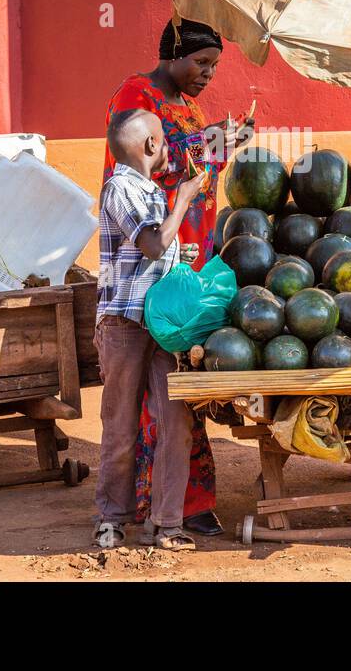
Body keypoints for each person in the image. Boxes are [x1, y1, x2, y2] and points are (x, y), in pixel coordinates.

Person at [102, 18, 247, 538]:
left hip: (189, 260)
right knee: (151, 395)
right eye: (200, 62)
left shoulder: (189, 106)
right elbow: (143, 166)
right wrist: (204, 148)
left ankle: (188, 500)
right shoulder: (136, 95)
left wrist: (226, 141)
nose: (207, 74)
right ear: (172, 55)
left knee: (184, 382)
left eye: (214, 66)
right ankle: (150, 504)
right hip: (150, 266)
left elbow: (201, 172)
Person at [93, 108, 208, 552]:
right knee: (121, 425)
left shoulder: (152, 194)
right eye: (163, 138)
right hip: (125, 323)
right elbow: (153, 244)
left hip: (165, 327)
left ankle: (167, 524)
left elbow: (163, 252)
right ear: (149, 146)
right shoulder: (120, 187)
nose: (167, 149)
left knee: (175, 420)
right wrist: (183, 200)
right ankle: (111, 519)